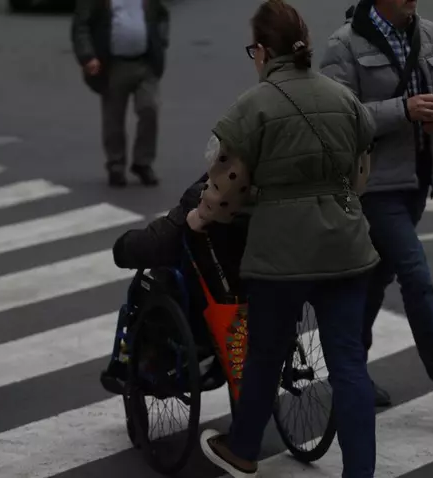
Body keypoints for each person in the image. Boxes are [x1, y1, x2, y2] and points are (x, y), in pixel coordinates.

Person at [193, 1, 378, 476]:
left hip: (282, 254)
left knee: (265, 354)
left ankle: (243, 449)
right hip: (346, 247)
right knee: (349, 364)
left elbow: (226, 188)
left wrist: (198, 218)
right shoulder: (344, 99)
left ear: (262, 51)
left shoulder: (253, 106)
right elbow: (359, 176)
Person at [319, 0, 433, 428]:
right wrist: (404, 110)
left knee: (377, 278)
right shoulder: (344, 45)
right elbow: (337, 120)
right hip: (375, 187)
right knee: (416, 277)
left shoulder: (431, 34)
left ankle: (349, 375)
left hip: (418, 181)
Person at [71, 0, 170, 188]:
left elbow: (162, 16)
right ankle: (116, 164)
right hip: (113, 65)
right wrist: (87, 56)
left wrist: (161, 40)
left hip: (145, 63)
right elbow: (81, 26)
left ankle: (143, 162)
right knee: (113, 118)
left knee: (149, 108)